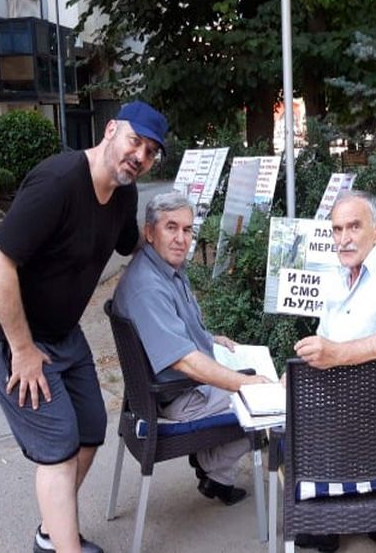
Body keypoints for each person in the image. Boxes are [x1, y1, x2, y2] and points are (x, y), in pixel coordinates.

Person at [0, 101, 167, 553]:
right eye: (135, 141)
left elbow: (125, 241)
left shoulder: (123, 194)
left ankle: (48, 532)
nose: (140, 155)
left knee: (91, 427)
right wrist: (21, 350)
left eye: (151, 151)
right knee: (58, 444)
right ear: (111, 129)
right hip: (8, 331)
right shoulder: (57, 182)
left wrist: (162, 240)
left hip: (61, 331)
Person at [112, 191, 271, 505]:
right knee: (273, 401)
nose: (181, 238)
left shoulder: (162, 267)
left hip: (178, 384)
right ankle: (214, 465)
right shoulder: (148, 286)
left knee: (259, 367)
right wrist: (247, 383)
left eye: (187, 230)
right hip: (181, 395)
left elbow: (172, 331)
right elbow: (184, 361)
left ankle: (216, 473)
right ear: (149, 232)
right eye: (171, 227)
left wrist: (211, 340)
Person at [292, 189, 376, 552]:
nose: (343, 238)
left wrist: (336, 354)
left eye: (353, 227)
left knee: (295, 429)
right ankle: (369, 515)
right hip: (341, 401)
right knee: (286, 402)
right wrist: (309, 360)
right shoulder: (338, 276)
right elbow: (325, 337)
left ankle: (328, 521)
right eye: (336, 229)